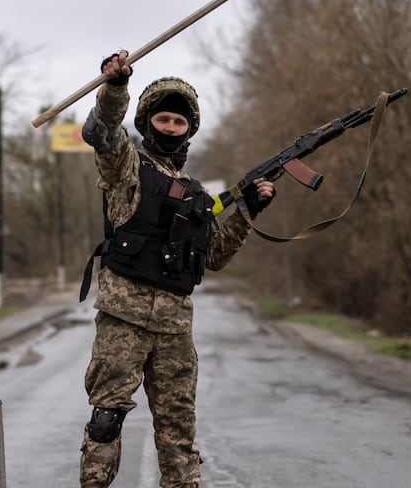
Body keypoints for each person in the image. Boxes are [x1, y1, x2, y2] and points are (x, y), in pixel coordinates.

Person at [77, 49, 275, 488]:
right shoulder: (126, 166)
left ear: (189, 130)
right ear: (148, 122)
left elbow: (214, 256)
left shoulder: (198, 194)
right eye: (163, 119)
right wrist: (115, 86)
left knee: (178, 431)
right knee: (106, 418)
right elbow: (101, 131)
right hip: (123, 319)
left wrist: (248, 211)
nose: (170, 127)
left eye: (179, 122)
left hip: (174, 328)